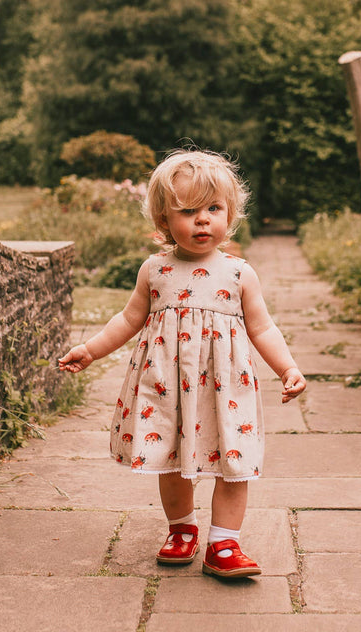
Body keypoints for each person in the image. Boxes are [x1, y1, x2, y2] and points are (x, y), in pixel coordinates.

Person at [58, 149, 306, 578]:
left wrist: (288, 368)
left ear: (230, 213)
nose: (203, 220)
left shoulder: (239, 273)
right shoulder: (155, 270)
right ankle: (182, 529)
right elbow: (129, 319)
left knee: (233, 461)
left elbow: (263, 328)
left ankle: (224, 542)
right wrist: (93, 349)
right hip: (167, 387)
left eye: (214, 208)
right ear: (164, 220)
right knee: (172, 459)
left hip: (226, 390)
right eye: (188, 211)